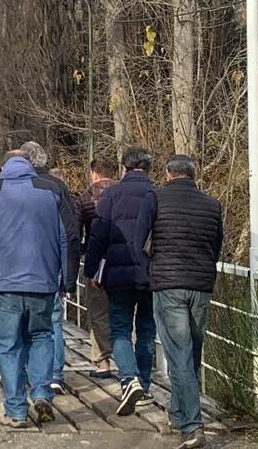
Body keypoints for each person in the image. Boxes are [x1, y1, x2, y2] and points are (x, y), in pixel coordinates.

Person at [0, 150, 80, 428]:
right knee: (41, 336)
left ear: (3, 166)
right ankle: (42, 392)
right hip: (42, 281)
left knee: (8, 346)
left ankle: (16, 411)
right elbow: (70, 237)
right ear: (31, 165)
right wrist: (67, 280)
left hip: (1, 283)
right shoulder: (52, 190)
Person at [136, 155, 223, 449]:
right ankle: (177, 411)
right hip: (201, 285)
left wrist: (150, 269)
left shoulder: (155, 198)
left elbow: (137, 243)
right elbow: (216, 247)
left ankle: (192, 426)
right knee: (191, 354)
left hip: (169, 284)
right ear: (193, 175)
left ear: (167, 173)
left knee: (179, 356)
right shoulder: (212, 205)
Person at [84, 146, 156, 417]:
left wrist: (93, 271)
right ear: (148, 169)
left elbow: (98, 237)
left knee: (120, 330)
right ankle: (145, 387)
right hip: (150, 275)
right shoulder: (156, 195)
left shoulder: (111, 195)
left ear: (124, 168)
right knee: (147, 330)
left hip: (118, 275)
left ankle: (129, 378)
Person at [19, 142, 77, 396]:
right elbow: (71, 233)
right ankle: (54, 375)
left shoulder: (13, 185)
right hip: (50, 264)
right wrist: (69, 275)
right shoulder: (57, 187)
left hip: (18, 264)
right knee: (53, 321)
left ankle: (25, 374)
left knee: (20, 321)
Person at [75, 157, 119, 379]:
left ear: (94, 173)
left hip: (97, 265)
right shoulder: (123, 194)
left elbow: (77, 232)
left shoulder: (85, 198)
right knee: (121, 313)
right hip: (123, 263)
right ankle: (126, 359)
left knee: (99, 313)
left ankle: (103, 362)